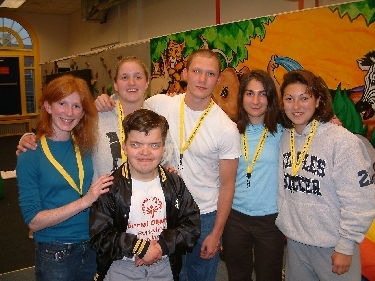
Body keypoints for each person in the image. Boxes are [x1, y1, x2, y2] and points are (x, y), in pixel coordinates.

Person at [95, 49, 241, 281]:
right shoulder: (160, 104)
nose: (202, 79)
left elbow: (228, 185)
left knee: (199, 277)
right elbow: (129, 99)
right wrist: (103, 101)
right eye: (196, 71)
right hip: (164, 214)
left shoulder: (226, 129)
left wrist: (216, 233)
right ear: (185, 73)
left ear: (219, 79)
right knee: (170, 275)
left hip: (203, 215)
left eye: (210, 73)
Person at [276, 69, 375, 281]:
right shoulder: (286, 138)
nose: (296, 106)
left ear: (318, 100)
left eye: (304, 98)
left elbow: (360, 199)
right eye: (289, 98)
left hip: (333, 245)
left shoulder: (342, 141)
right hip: (296, 243)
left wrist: (346, 245)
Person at [16, 75, 114, 281]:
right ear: (48, 106)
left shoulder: (86, 146)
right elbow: (33, 221)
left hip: (91, 246)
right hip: (55, 252)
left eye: (77, 106)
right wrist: (86, 201)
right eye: (62, 103)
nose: (69, 113)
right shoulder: (30, 153)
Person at [89, 109, 201, 281]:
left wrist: (163, 246)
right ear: (124, 147)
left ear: (164, 148)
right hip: (122, 266)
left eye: (154, 145)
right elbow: (99, 236)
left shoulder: (175, 184)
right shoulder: (111, 187)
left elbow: (192, 225)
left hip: (164, 265)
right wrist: (139, 247)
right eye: (136, 144)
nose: (145, 152)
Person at [222, 70, 285, 281]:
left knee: (269, 275)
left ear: (270, 98)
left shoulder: (284, 132)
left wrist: (329, 120)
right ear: (242, 97)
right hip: (235, 217)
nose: (256, 100)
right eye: (250, 93)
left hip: (270, 219)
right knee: (237, 275)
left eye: (262, 94)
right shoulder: (230, 131)